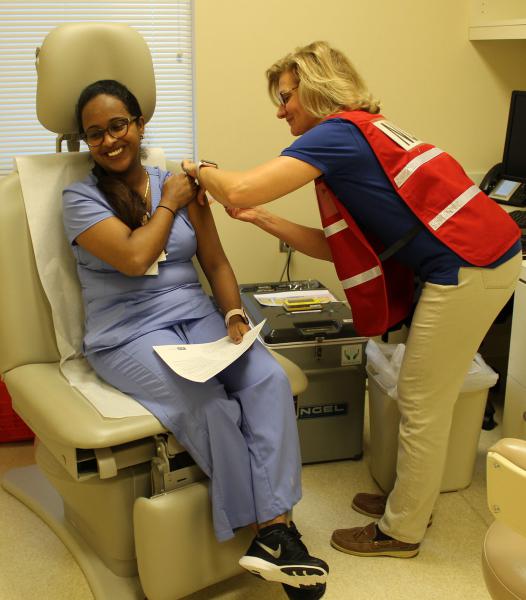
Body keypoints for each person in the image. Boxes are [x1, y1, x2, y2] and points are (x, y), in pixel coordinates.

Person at [182, 41, 522, 559]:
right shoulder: (360, 129)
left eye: (285, 96)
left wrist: (199, 169)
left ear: (316, 90)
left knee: (421, 402)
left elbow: (241, 188)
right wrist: (262, 221)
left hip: (470, 265)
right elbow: (339, 247)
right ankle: (410, 500)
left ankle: (402, 530)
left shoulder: (337, 134)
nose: (280, 110)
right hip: (479, 256)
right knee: (420, 394)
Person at [62, 79, 328, 599]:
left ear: (139, 124)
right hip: (126, 333)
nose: (110, 140)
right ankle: (272, 531)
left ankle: (275, 535)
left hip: (197, 315)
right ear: (86, 143)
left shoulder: (179, 182)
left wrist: (232, 313)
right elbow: (136, 258)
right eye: (95, 134)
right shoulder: (81, 198)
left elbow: (215, 262)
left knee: (269, 381)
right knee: (207, 404)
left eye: (119, 125)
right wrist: (169, 202)